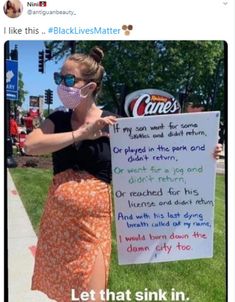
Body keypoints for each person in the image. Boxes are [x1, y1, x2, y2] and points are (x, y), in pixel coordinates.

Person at [25, 47, 117, 302]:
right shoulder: (57, 120)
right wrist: (82, 134)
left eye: (68, 80)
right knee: (64, 291)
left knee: (93, 296)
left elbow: (150, 158)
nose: (61, 86)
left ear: (90, 87)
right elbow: (30, 145)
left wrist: (202, 151)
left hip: (93, 226)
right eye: (59, 78)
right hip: (59, 225)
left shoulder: (111, 122)